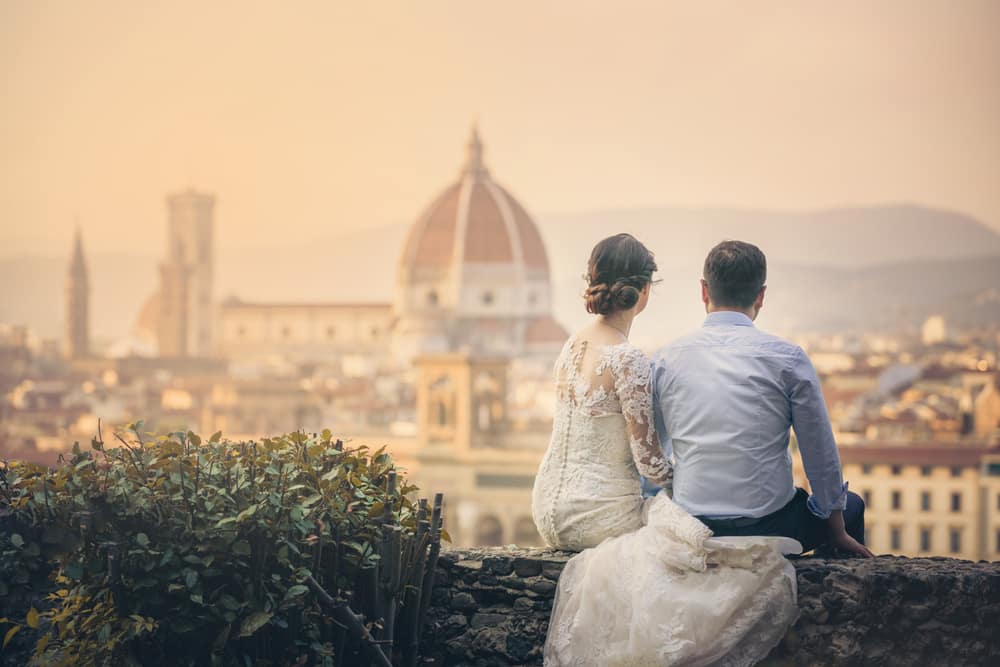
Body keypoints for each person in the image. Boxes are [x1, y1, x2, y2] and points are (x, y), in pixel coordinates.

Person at [532, 234, 799, 667]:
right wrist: (687, 479)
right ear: (642, 292)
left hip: (548, 511)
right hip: (598, 516)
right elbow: (651, 464)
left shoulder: (571, 345)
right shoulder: (627, 358)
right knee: (693, 541)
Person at [647, 240, 872, 558]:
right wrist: (836, 530)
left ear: (703, 291)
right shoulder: (788, 359)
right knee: (853, 506)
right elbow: (819, 453)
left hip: (693, 522)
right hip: (771, 524)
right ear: (761, 296)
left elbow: (653, 449)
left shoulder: (665, 359)